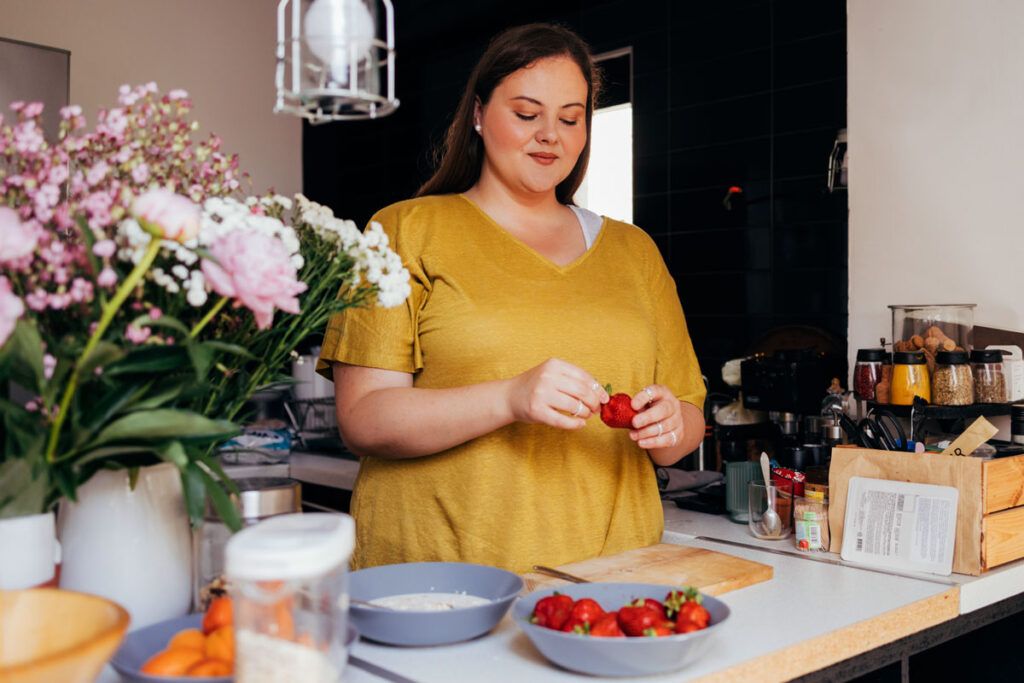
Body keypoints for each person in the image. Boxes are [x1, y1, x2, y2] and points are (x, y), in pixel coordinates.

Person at [317, 23, 705, 573]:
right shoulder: (403, 231)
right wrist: (510, 398)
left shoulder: (634, 251)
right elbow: (362, 418)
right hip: (441, 574)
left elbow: (686, 424)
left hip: (614, 574)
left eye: (571, 118)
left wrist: (669, 424)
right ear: (478, 114)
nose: (551, 134)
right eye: (527, 114)